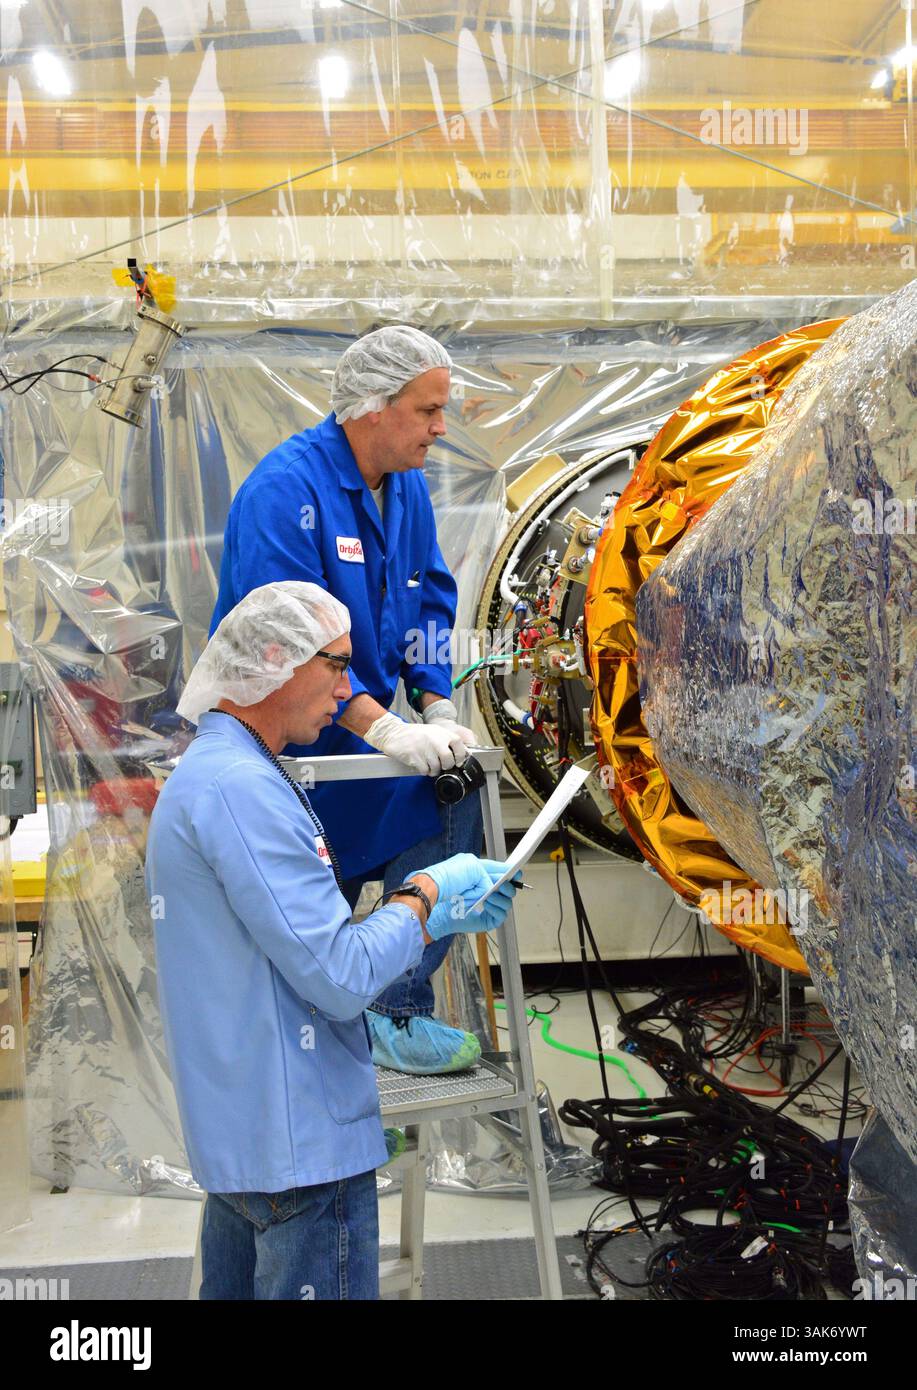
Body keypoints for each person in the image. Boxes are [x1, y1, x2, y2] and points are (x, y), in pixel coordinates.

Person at [146, 582, 518, 1300]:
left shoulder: (219, 774)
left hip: (249, 1146)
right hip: (301, 1157)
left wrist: (428, 920)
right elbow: (341, 977)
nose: (349, 689)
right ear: (277, 661)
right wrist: (425, 896)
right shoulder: (241, 790)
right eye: (336, 665)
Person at [209, 325, 486, 1076]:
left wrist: (435, 706)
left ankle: (394, 1007)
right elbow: (292, 649)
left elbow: (431, 601)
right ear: (372, 407)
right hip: (286, 746)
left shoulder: (406, 491)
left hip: (363, 739)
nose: (439, 426)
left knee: (462, 802)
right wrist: (386, 729)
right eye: (427, 410)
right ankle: (314, 1054)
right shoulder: (283, 493)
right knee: (301, 924)